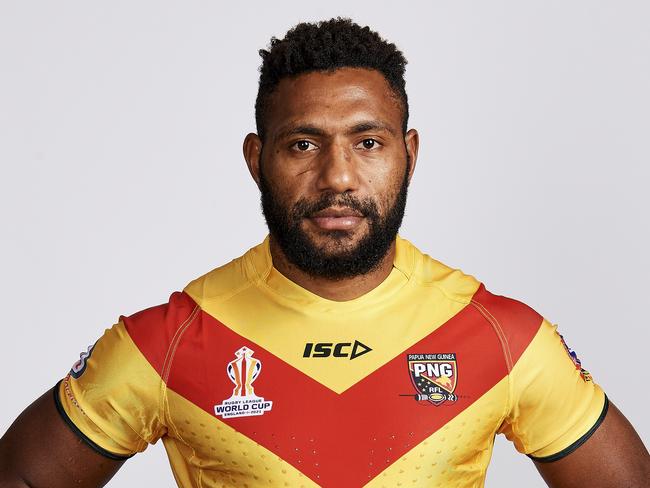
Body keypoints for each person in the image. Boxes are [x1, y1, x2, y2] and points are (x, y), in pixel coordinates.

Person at [0, 18, 647, 488]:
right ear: (258, 160)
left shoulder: (498, 336)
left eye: (367, 143)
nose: (337, 177)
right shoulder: (170, 341)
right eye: (302, 145)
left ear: (409, 154)